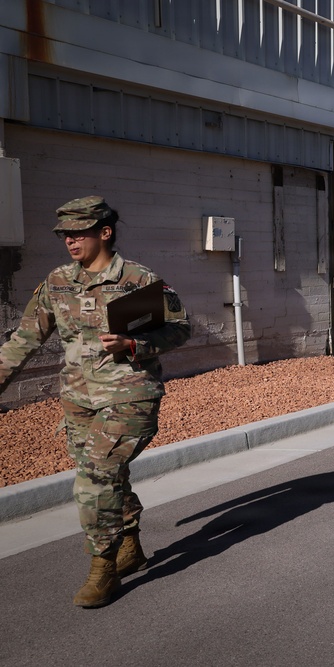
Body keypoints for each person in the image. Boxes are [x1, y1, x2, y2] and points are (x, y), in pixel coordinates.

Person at [0, 195, 191, 608]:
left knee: (94, 477)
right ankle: (130, 545)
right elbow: (25, 338)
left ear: (104, 232)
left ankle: (102, 567)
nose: (70, 241)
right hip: (78, 398)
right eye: (65, 235)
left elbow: (180, 327)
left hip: (130, 394)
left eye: (78, 233)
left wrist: (134, 344)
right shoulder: (57, 281)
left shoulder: (138, 278)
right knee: (107, 475)